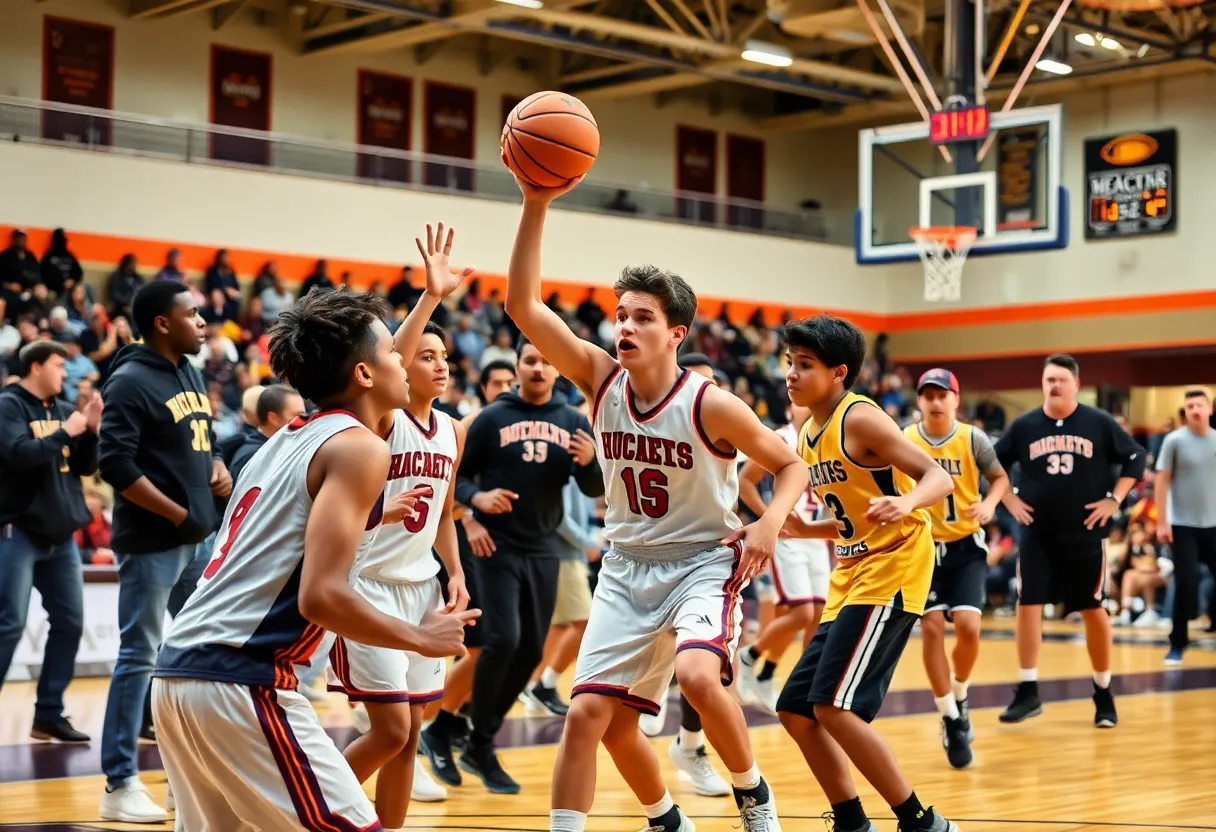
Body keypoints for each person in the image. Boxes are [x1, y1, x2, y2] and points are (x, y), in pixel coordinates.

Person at [503, 171, 808, 832]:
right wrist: (534, 204)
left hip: (701, 559)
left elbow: (791, 464)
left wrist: (768, 524)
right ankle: (663, 819)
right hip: (626, 565)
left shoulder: (711, 404)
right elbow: (524, 307)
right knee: (592, 719)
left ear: (676, 333)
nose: (626, 326)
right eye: (621, 315)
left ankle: (752, 793)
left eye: (643, 317)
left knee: (700, 677)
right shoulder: (597, 378)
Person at [151, 289, 479, 832]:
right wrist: (422, 637)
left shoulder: (285, 440)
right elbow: (320, 595)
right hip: (243, 680)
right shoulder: (361, 447)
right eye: (394, 352)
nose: (402, 356)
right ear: (365, 374)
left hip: (181, 672)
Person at [775, 316, 956, 832]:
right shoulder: (810, 433)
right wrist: (806, 530)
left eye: (804, 366)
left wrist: (907, 503)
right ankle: (852, 821)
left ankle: (921, 821)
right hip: (853, 572)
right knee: (795, 709)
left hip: (895, 564)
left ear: (839, 373)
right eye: (790, 363)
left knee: (834, 706)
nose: (791, 374)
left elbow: (936, 477)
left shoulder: (862, 419)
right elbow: (853, 517)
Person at [328, 225, 473, 825]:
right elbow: (393, 348)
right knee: (390, 729)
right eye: (424, 356)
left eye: (443, 357)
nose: (438, 366)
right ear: (396, 367)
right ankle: (297, 807)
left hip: (421, 588)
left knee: (409, 731)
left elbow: (443, 511)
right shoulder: (384, 423)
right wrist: (431, 299)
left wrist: (456, 571)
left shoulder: (453, 429)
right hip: (368, 584)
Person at [430, 331, 603, 795]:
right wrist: (474, 502)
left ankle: (475, 736)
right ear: (520, 366)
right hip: (497, 546)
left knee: (531, 650)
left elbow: (593, 489)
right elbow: (455, 475)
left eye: (546, 363)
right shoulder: (491, 418)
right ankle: (477, 741)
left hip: (544, 547)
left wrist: (590, 465)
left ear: (555, 371)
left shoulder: (573, 421)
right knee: (503, 639)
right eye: (530, 360)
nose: (538, 369)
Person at [97, 280, 233, 823]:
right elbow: (115, 464)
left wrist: (216, 466)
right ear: (162, 323)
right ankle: (119, 782)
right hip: (154, 542)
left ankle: (186, 776)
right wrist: (178, 512)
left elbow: (203, 440)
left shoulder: (189, 371)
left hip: (195, 539)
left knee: (202, 649)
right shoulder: (130, 381)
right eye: (193, 313)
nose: (203, 322)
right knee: (140, 655)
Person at [994, 354, 1145, 728]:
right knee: (1027, 606)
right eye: (1049, 380)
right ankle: (1027, 690)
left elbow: (1136, 459)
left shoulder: (1098, 422)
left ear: (1076, 384)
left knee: (1093, 610)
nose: (1055, 385)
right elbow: (990, 464)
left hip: (1085, 535)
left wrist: (1114, 500)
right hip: (1037, 535)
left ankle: (1103, 692)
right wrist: (1009, 499)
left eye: (1062, 379)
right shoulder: (1025, 425)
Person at [902, 369, 1009, 769]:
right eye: (927, 395)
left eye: (941, 395)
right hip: (922, 546)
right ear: (919, 401)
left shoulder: (972, 438)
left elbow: (999, 478)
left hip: (965, 546)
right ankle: (950, 716)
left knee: (968, 626)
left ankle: (960, 693)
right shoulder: (904, 438)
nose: (934, 401)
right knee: (931, 627)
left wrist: (990, 504)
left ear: (955, 400)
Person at [0, 340, 102, 743]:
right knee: (9, 624)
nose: (66, 373)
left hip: (61, 537)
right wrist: (67, 430)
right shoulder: (9, 405)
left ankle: (48, 713)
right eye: (61, 366)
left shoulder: (63, 410)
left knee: (70, 623)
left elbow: (85, 466)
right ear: (37, 366)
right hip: (19, 531)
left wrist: (90, 432)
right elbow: (16, 453)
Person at [421, 359, 517, 761]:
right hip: (450, 543)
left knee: (488, 645)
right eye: (497, 382)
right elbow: (450, 488)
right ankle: (426, 724)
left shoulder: (514, 423)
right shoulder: (470, 423)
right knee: (473, 645)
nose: (506, 387)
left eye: (509, 381)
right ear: (482, 387)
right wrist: (472, 516)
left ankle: (448, 719)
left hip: (494, 548)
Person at [736, 403, 832, 714]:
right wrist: (770, 519)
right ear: (791, 405)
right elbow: (745, 481)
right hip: (789, 537)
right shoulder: (781, 437)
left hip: (816, 535)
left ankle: (793, 685)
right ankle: (750, 655)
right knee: (802, 613)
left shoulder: (830, 437)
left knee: (816, 618)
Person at [1154, 388, 1216, 665]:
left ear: (1209, 409)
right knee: (1187, 582)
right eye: (1189, 406)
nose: (1194, 410)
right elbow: (1162, 480)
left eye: (1199, 405)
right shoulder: (1174, 440)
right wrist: (1162, 520)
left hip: (1213, 524)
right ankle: (1178, 641)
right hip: (1182, 525)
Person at [229, 384, 307, 484]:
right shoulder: (252, 457)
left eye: (304, 416)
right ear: (273, 418)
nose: (304, 422)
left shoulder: (277, 448)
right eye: (298, 416)